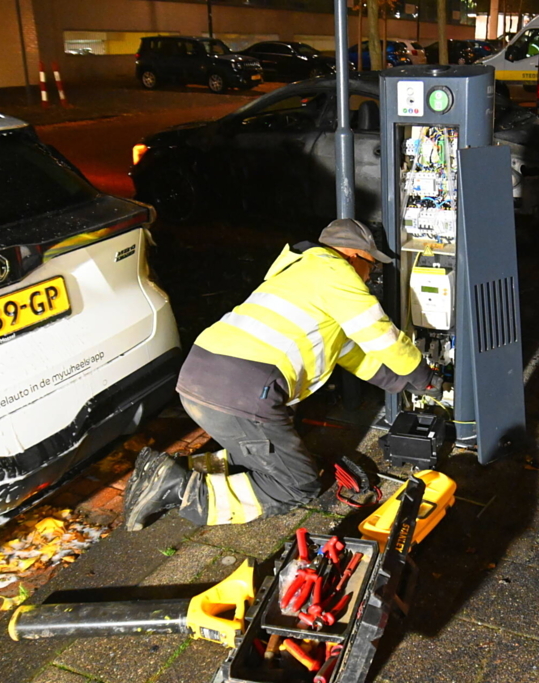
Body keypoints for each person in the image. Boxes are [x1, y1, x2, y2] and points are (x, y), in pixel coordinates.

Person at [123, 219, 442, 530]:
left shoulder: (298, 275)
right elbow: (381, 336)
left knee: (257, 458)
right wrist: (422, 376)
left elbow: (354, 355)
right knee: (297, 485)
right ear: (352, 255)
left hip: (201, 376)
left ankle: (168, 470)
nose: (371, 276)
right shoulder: (336, 272)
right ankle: (179, 489)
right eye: (371, 266)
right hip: (242, 392)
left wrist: (402, 383)